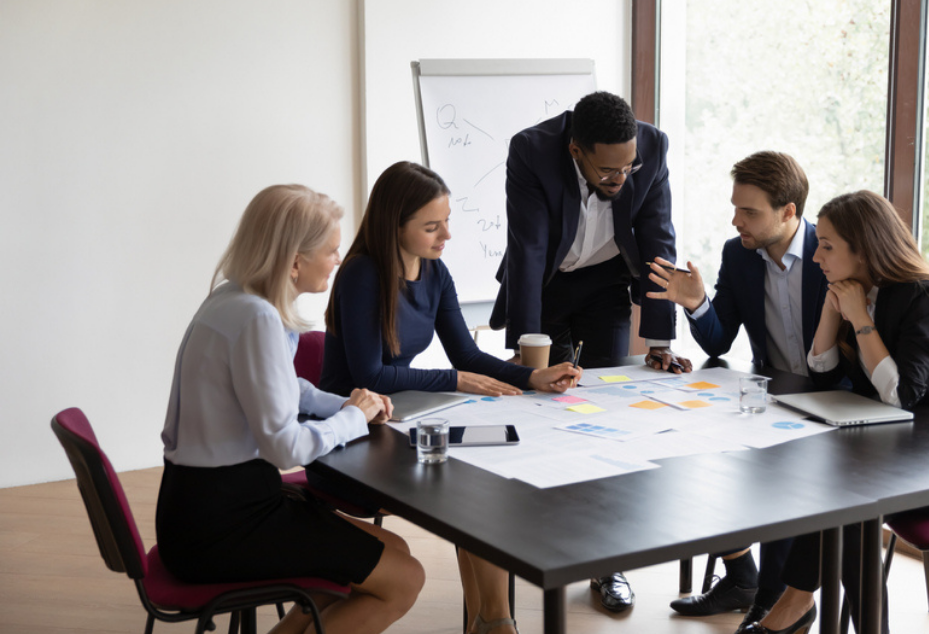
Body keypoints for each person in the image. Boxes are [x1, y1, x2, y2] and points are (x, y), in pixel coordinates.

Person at [319, 161, 581, 634]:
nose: (446, 236)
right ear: (393, 225)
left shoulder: (435, 273)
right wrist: (453, 380)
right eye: (431, 226)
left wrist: (532, 377)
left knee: (483, 479)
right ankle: (495, 624)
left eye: (447, 221)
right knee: (471, 491)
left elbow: (466, 353)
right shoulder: (362, 275)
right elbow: (369, 374)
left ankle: (491, 621)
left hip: (398, 426)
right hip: (350, 441)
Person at [156, 184, 424, 634]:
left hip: (199, 507)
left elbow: (286, 385)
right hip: (224, 524)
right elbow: (285, 449)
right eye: (331, 251)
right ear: (294, 261)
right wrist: (352, 418)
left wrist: (347, 403)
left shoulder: (233, 298)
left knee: (393, 548)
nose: (338, 260)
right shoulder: (256, 317)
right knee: (405, 579)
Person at [740, 190, 929, 634]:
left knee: (850, 497)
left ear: (863, 249)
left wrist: (859, 318)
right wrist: (831, 312)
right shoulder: (859, 291)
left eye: (827, 245)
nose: (817, 254)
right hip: (907, 451)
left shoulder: (927, 297)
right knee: (842, 488)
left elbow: (902, 396)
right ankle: (803, 605)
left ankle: (797, 605)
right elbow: (821, 377)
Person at [488, 90, 691, 611]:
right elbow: (529, 249)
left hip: (606, 284)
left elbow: (658, 242)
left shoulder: (654, 147)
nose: (621, 178)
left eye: (629, 167)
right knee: (544, 412)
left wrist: (661, 341)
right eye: (608, 170)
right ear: (577, 149)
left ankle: (606, 562)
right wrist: (527, 349)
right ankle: (537, 545)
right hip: (547, 284)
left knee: (607, 416)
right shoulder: (531, 151)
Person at [646, 151, 828, 631]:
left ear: (789, 212)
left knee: (785, 477)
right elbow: (719, 338)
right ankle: (743, 576)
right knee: (692, 456)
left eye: (749, 212)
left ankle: (772, 601)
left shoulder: (826, 252)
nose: (736, 220)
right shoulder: (738, 254)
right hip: (771, 395)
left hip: (830, 402)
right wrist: (697, 303)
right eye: (735, 207)